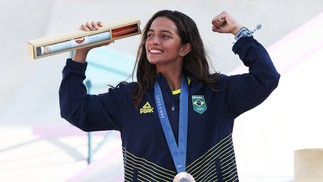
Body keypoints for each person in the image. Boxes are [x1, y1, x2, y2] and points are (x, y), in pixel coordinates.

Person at [59, 10, 280, 182]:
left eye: (165, 36)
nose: (153, 41)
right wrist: (81, 53)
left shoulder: (216, 92)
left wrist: (239, 33)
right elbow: (76, 111)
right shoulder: (129, 98)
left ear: (184, 48)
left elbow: (266, 77)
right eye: (150, 35)